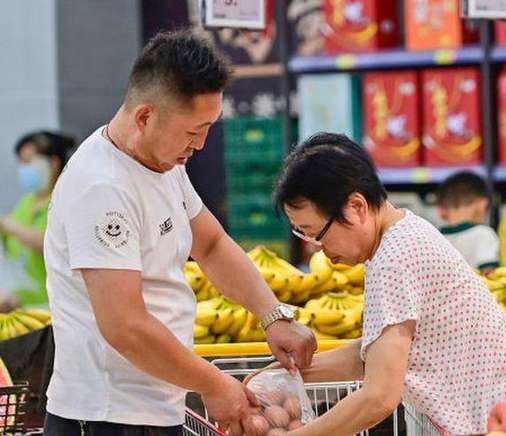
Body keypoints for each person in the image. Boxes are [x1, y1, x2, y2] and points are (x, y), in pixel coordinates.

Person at [42, 30, 316, 436]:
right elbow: (125, 326)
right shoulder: (101, 188)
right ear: (144, 117)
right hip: (106, 417)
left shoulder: (163, 163)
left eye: (208, 127)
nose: (201, 144)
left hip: (155, 409)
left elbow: (212, 244)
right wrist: (213, 383)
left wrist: (272, 315)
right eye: (193, 131)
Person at [249, 132, 506, 435]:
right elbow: (376, 355)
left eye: (316, 232)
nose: (316, 247)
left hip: (505, 422)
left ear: (356, 207)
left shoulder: (394, 259)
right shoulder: (403, 235)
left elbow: (379, 397)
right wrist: (282, 375)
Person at [0, 131, 75, 309]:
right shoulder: (27, 202)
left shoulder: (66, 200)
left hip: (55, 308)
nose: (23, 169)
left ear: (54, 163)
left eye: (29, 162)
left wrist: (9, 226)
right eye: (21, 162)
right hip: (21, 304)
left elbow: (49, 242)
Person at [436, 171, 500, 273]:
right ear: (483, 204)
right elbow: (489, 273)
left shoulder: (434, 237)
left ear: (441, 211)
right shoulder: (484, 234)